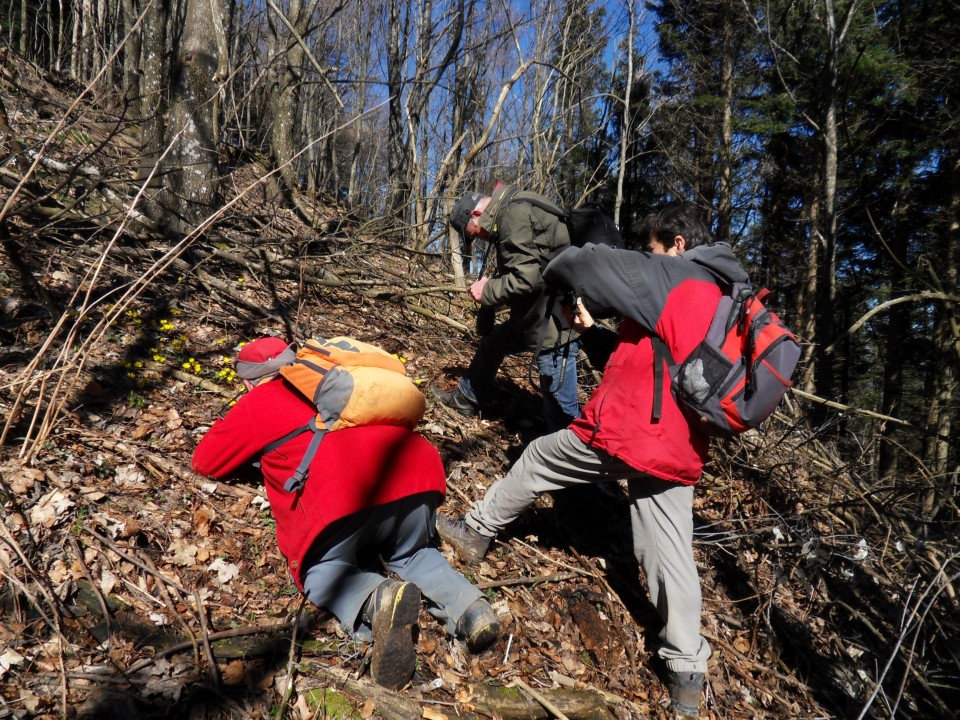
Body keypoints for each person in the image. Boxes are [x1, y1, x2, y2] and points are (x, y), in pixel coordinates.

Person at [436, 202, 750, 717]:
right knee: (668, 552)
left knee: (538, 455)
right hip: (680, 442)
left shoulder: (675, 275)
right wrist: (589, 331)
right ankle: (688, 669)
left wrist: (559, 267)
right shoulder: (720, 297)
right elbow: (656, 358)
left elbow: (580, 264)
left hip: (629, 430)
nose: (644, 257)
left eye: (649, 248)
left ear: (675, 243)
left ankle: (475, 530)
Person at [192, 336, 499, 690]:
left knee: (323, 571)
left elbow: (205, 461)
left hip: (345, 496)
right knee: (415, 553)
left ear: (248, 380)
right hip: (417, 477)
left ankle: (375, 598)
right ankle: (472, 609)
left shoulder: (260, 399)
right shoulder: (343, 377)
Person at [434, 185, 580, 432]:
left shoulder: (512, 213)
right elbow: (533, 269)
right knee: (493, 342)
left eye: (472, 233)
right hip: (534, 316)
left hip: (554, 325)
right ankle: (466, 399)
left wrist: (487, 290)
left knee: (560, 410)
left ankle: (573, 456)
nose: (477, 238)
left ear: (476, 215)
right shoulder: (516, 203)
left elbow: (527, 278)